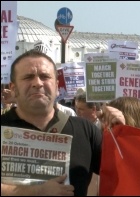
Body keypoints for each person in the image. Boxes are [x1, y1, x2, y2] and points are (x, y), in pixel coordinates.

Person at [0, 50, 125, 196]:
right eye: (28, 77)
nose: (37, 83)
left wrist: (120, 135)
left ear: (57, 87)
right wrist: (37, 191)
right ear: (13, 88)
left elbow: (122, 173)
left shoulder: (85, 130)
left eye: (45, 76)